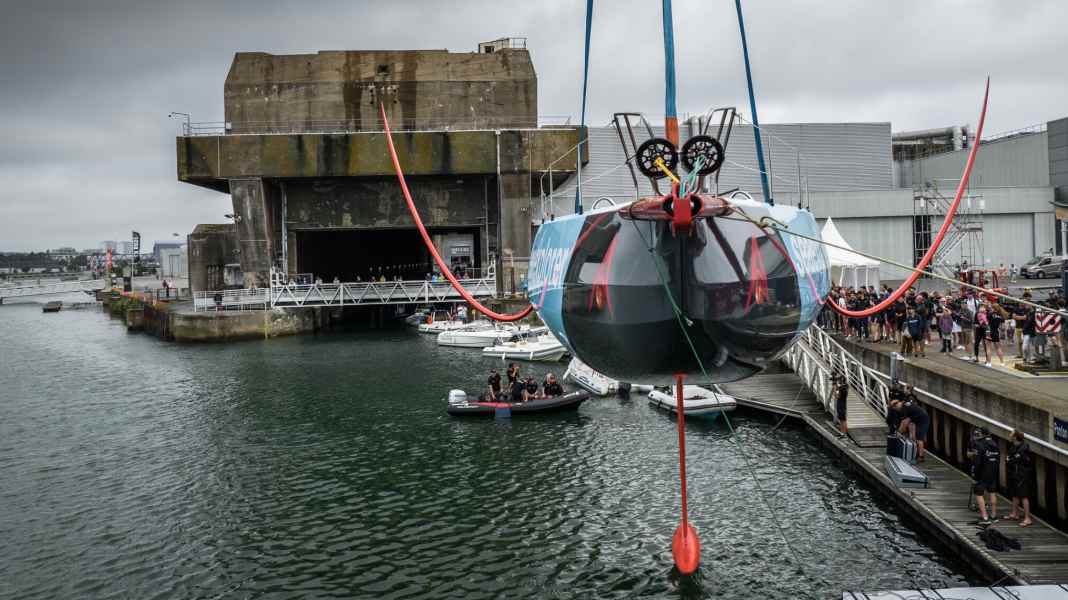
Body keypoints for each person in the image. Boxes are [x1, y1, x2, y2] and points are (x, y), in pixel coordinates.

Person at [969, 427, 1001, 526]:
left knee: (978, 492)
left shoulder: (979, 444)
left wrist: (974, 473)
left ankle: (984, 517)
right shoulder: (995, 444)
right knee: (992, 492)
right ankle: (994, 515)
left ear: (982, 434)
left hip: (983, 473)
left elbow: (977, 461)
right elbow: (998, 458)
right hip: (993, 471)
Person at [1005, 429, 1033, 527]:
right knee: (1015, 494)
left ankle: (1027, 518)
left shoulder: (1024, 448)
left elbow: (1012, 460)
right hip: (1014, 474)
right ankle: (1014, 513)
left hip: (1022, 475)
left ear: (1015, 437)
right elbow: (1008, 459)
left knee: (1023, 496)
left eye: (1011, 434)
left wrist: (1011, 459)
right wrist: (1011, 459)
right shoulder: (1014, 447)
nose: (1009, 435)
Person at [899, 392, 930, 462]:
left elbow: (904, 422)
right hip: (916, 419)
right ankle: (915, 453)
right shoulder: (905, 405)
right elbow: (906, 422)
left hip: (923, 420)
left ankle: (921, 457)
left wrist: (899, 433)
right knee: (913, 437)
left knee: (919, 438)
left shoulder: (903, 408)